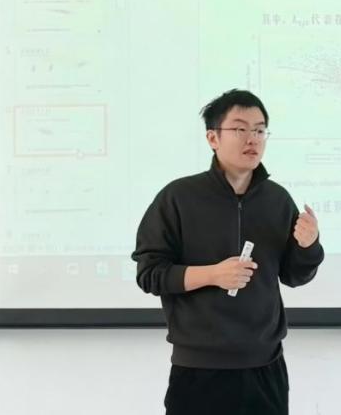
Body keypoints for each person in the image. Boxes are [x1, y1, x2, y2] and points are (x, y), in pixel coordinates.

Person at [131, 89, 324, 415]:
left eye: (259, 130)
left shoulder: (277, 200)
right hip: (199, 370)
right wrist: (212, 274)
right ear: (213, 138)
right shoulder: (178, 197)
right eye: (240, 129)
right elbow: (150, 274)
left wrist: (308, 246)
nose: (252, 138)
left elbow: (294, 275)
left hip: (265, 366)